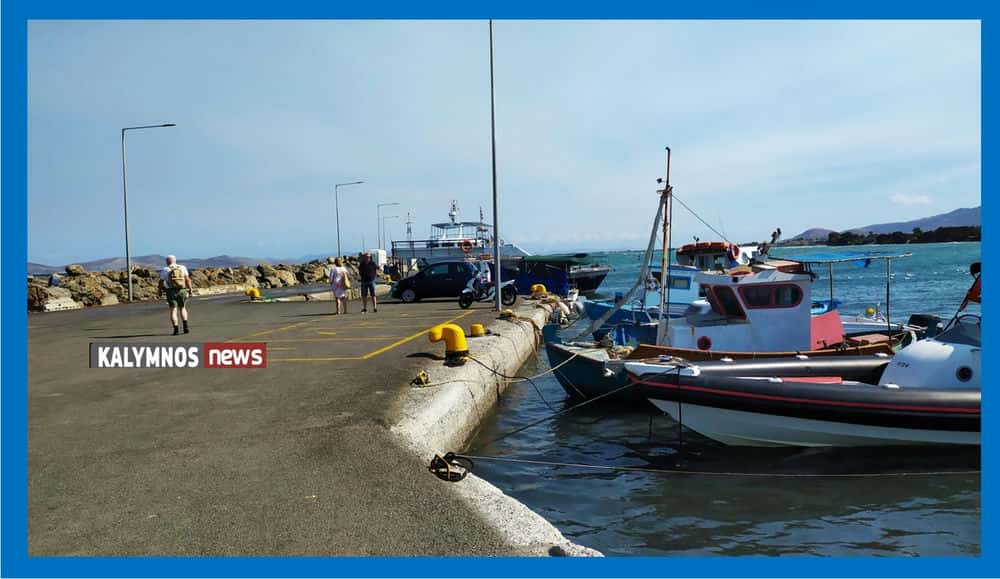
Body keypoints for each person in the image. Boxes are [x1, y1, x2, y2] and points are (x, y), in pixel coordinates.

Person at [158, 255, 193, 335]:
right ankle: (186, 327)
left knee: (173, 310)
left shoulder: (165, 269)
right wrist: (190, 289)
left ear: (167, 262)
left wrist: (160, 291)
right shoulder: (183, 267)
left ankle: (176, 330)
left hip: (170, 291)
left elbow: (161, 282)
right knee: (182, 308)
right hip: (182, 290)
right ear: (175, 260)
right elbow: (187, 280)